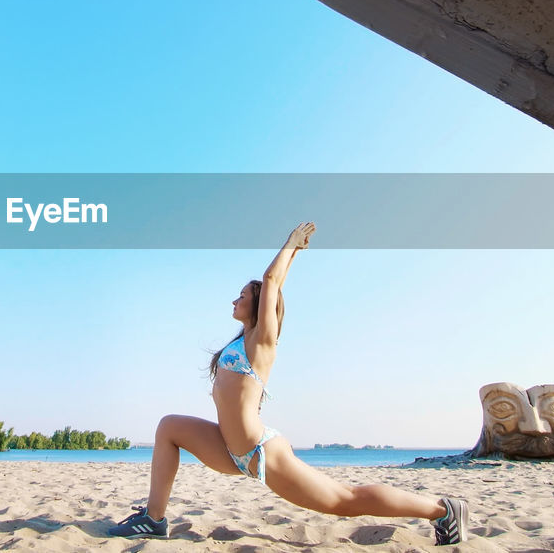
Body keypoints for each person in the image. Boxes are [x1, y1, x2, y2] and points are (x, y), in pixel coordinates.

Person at [106, 222, 470, 545]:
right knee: (169, 426)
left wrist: (291, 244)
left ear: (259, 304)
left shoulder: (262, 342)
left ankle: (441, 509)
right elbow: (271, 288)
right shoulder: (240, 341)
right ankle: (154, 520)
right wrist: (295, 253)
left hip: (259, 451)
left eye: (242, 296)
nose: (235, 300)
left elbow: (273, 283)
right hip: (228, 448)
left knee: (345, 500)